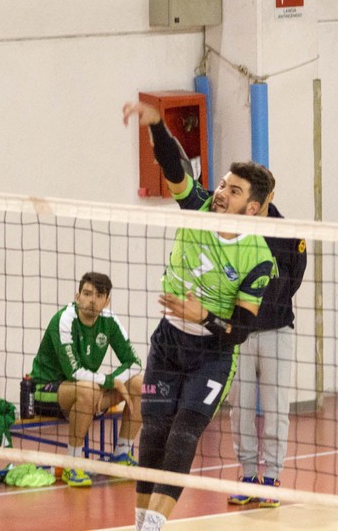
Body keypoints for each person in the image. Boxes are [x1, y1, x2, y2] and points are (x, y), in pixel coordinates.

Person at [122, 101, 276, 531]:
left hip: (211, 353)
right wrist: (157, 125)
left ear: (254, 208)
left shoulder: (258, 257)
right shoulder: (200, 207)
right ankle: (141, 523)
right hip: (168, 341)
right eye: (224, 185)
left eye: (234, 190)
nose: (222, 193)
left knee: (183, 436)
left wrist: (203, 314)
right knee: (152, 432)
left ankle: (155, 523)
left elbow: (239, 332)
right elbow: (173, 165)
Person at [227, 194, 307, 508]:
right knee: (240, 408)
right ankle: (248, 475)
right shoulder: (232, 228)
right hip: (239, 335)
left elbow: (294, 279)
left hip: (277, 331)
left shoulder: (288, 232)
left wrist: (266, 307)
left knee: (276, 409)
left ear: (269, 196)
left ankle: (272, 477)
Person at [29, 271, 143, 488]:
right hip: (45, 390)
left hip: (86, 389)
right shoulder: (63, 320)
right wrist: (109, 383)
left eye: (99, 296)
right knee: (88, 390)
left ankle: (121, 456)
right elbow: (73, 371)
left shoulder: (109, 321)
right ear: (77, 296)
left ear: (106, 301)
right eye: (88, 293)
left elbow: (134, 362)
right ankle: (73, 463)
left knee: (139, 384)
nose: (92, 300)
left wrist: (114, 380)